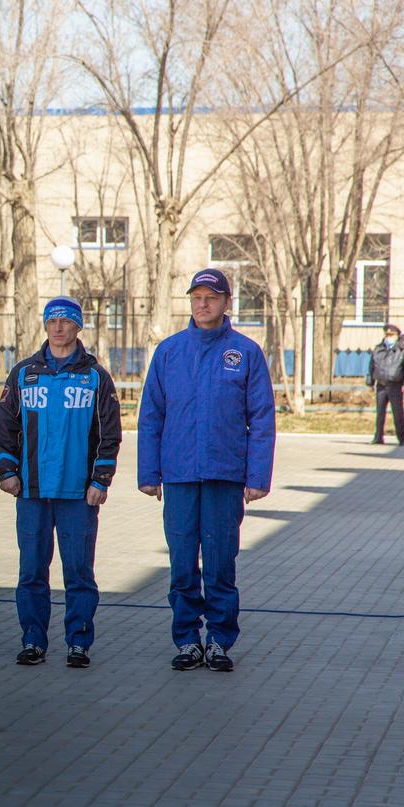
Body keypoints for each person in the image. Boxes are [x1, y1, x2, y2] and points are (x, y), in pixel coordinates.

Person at [138, 268, 276, 673]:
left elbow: (262, 419)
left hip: (224, 474)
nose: (203, 304)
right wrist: (149, 472)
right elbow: (151, 416)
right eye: (196, 297)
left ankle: (218, 639)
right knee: (182, 562)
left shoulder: (245, 353)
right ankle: (187, 639)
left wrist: (257, 477)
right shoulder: (169, 352)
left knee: (219, 563)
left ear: (226, 303)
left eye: (211, 297)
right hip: (179, 474)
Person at [0, 296, 121, 668]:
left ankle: (78, 642)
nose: (59, 327)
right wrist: (7, 470)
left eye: (66, 321)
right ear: (46, 325)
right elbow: (5, 427)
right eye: (53, 320)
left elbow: (109, 434)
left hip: (78, 494)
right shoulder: (23, 374)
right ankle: (33, 640)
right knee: (32, 570)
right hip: (31, 492)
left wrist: (101, 479)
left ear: (78, 326)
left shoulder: (96, 377)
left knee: (79, 571)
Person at [366, 323, 404, 445]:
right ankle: (378, 437)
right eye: (387, 334)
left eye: (391, 335)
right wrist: (370, 383)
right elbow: (372, 367)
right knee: (380, 413)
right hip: (381, 385)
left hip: (396, 386)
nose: (389, 337)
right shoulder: (378, 349)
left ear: (397, 336)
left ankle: (401, 439)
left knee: (397, 413)